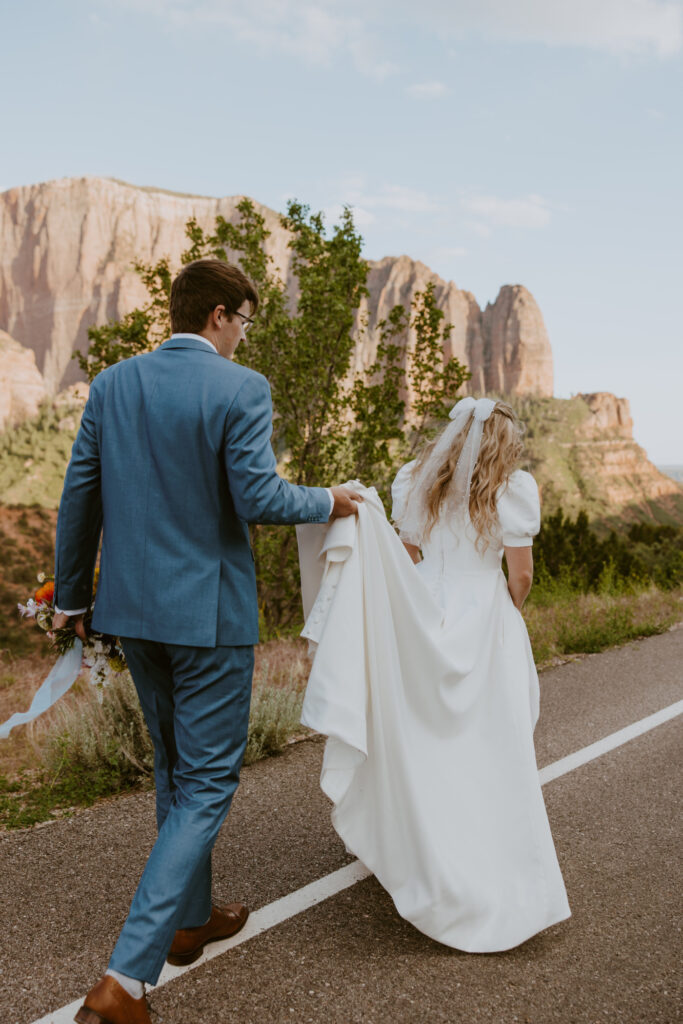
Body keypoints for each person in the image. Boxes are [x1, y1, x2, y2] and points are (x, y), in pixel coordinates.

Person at [52, 258, 362, 1024]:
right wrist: (333, 500)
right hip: (210, 621)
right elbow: (255, 495)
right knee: (208, 785)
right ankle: (124, 979)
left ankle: (190, 921)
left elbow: (79, 493)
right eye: (246, 320)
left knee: (172, 768)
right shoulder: (240, 386)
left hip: (130, 613)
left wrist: (73, 599)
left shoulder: (114, 385)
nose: (245, 335)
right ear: (220, 315)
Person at [298, 396, 570, 952]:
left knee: (423, 733)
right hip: (484, 615)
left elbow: (407, 555)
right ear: (503, 441)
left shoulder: (416, 481)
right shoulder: (514, 490)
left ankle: (415, 846)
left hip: (428, 610)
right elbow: (520, 576)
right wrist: (503, 615)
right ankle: (485, 854)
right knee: (491, 740)